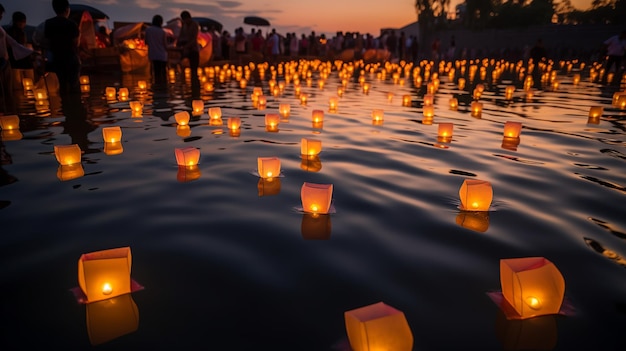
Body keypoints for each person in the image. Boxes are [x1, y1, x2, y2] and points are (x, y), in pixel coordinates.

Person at [0, 4, 34, 113]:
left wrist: (29, 52)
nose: (1, 17)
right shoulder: (13, 31)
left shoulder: (3, 30)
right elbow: (14, 44)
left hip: (7, 62)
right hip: (8, 62)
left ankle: (11, 114)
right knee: (4, 92)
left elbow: (13, 44)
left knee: (8, 92)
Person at [44, 0, 81, 95]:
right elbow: (76, 43)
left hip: (56, 60)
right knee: (74, 87)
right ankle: (74, 107)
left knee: (62, 87)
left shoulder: (49, 23)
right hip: (71, 59)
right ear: (67, 9)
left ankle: (65, 107)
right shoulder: (71, 24)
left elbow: (46, 42)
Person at [176, 11, 199, 90]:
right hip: (184, 49)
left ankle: (195, 86)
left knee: (194, 69)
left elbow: (194, 38)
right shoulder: (184, 25)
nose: (184, 21)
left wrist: (187, 46)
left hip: (193, 49)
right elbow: (181, 35)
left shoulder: (194, 25)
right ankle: (183, 84)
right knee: (181, 66)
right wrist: (179, 43)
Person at [144, 14, 168, 85]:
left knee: (155, 72)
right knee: (163, 73)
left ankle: (156, 88)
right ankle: (163, 88)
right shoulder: (162, 31)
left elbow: (146, 42)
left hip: (153, 54)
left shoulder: (148, 30)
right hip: (162, 55)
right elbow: (165, 44)